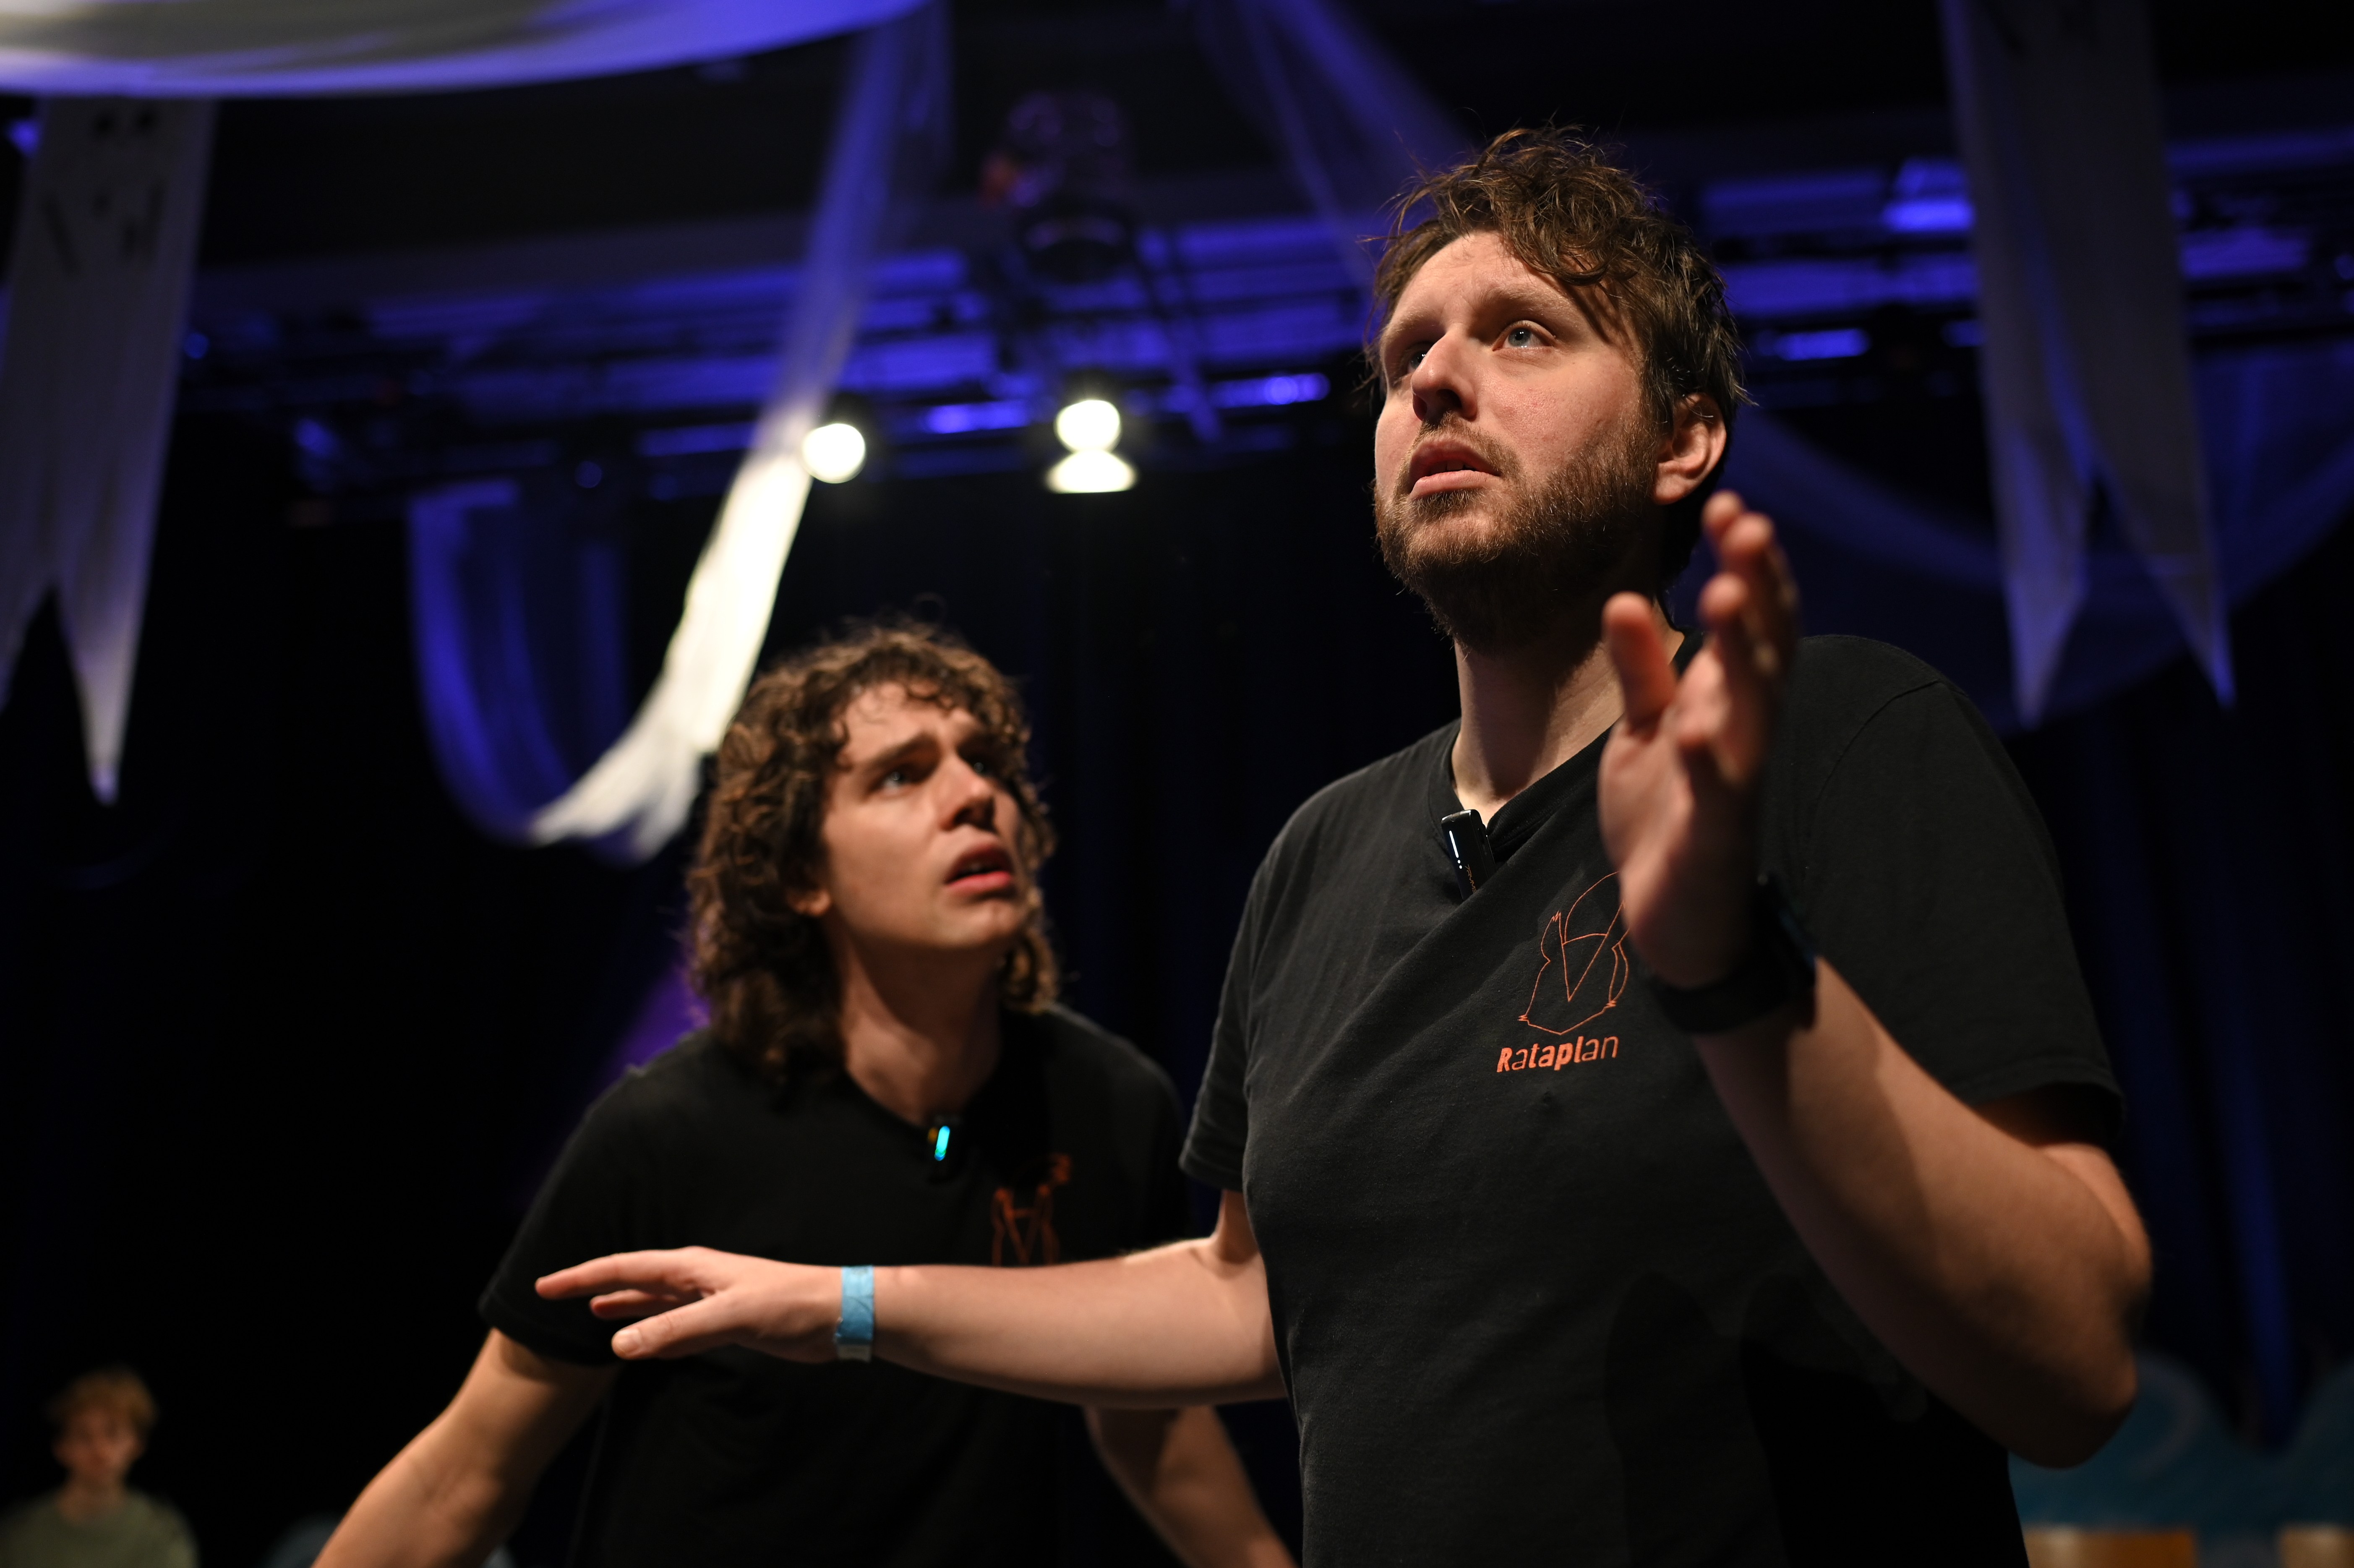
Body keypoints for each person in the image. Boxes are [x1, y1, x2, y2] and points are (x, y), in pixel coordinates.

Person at [539, 131, 2155, 1565]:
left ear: (1682, 440)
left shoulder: (1842, 737)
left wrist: (1734, 969)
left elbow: (2073, 1363)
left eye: (1519, 332)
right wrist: (844, 1302)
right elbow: (1248, 1291)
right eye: (1402, 359)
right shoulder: (1322, 852)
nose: (1433, 382)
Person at [317, 624, 1292, 1568]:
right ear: (799, 875)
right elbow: (464, 1476)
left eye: (987, 761)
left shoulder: (1109, 1103)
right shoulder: (667, 1130)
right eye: (901, 774)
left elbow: (1153, 1424)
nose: (975, 796)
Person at [0, 1367, 196, 1568]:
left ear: (136, 1443)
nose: (100, 1450)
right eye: (84, 1436)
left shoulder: (161, 1534)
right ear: (61, 1447)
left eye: (113, 1433)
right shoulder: (20, 1534)